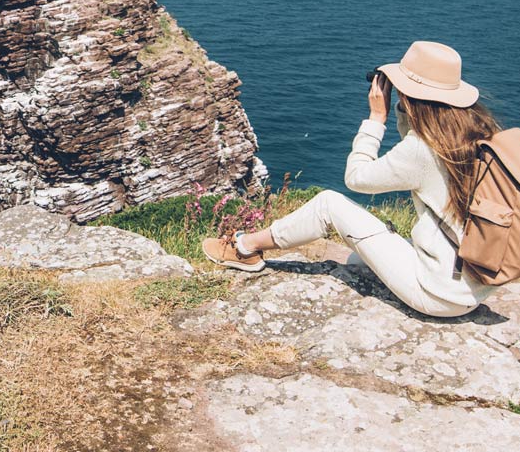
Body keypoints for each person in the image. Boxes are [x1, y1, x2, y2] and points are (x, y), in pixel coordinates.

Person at [200, 40, 498, 318]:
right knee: (357, 262)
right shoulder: (481, 133)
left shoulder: (424, 150)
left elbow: (356, 178)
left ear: (412, 95)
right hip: (474, 282)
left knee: (329, 204)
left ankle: (245, 248)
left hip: (438, 295)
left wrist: (377, 117)